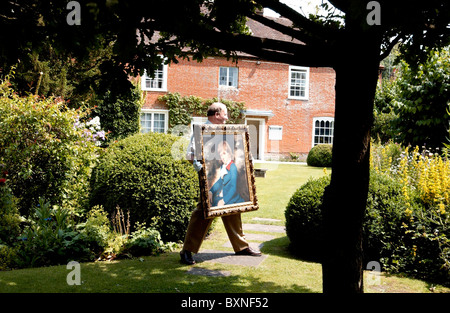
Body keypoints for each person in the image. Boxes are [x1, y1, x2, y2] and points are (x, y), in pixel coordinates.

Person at [180, 102, 261, 265]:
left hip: (229, 175)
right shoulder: (201, 131)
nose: (227, 117)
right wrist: (195, 163)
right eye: (225, 114)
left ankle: (241, 247)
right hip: (210, 180)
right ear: (216, 115)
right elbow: (190, 153)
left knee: (233, 207)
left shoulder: (228, 132)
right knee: (203, 212)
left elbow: (235, 151)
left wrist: (245, 158)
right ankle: (187, 251)